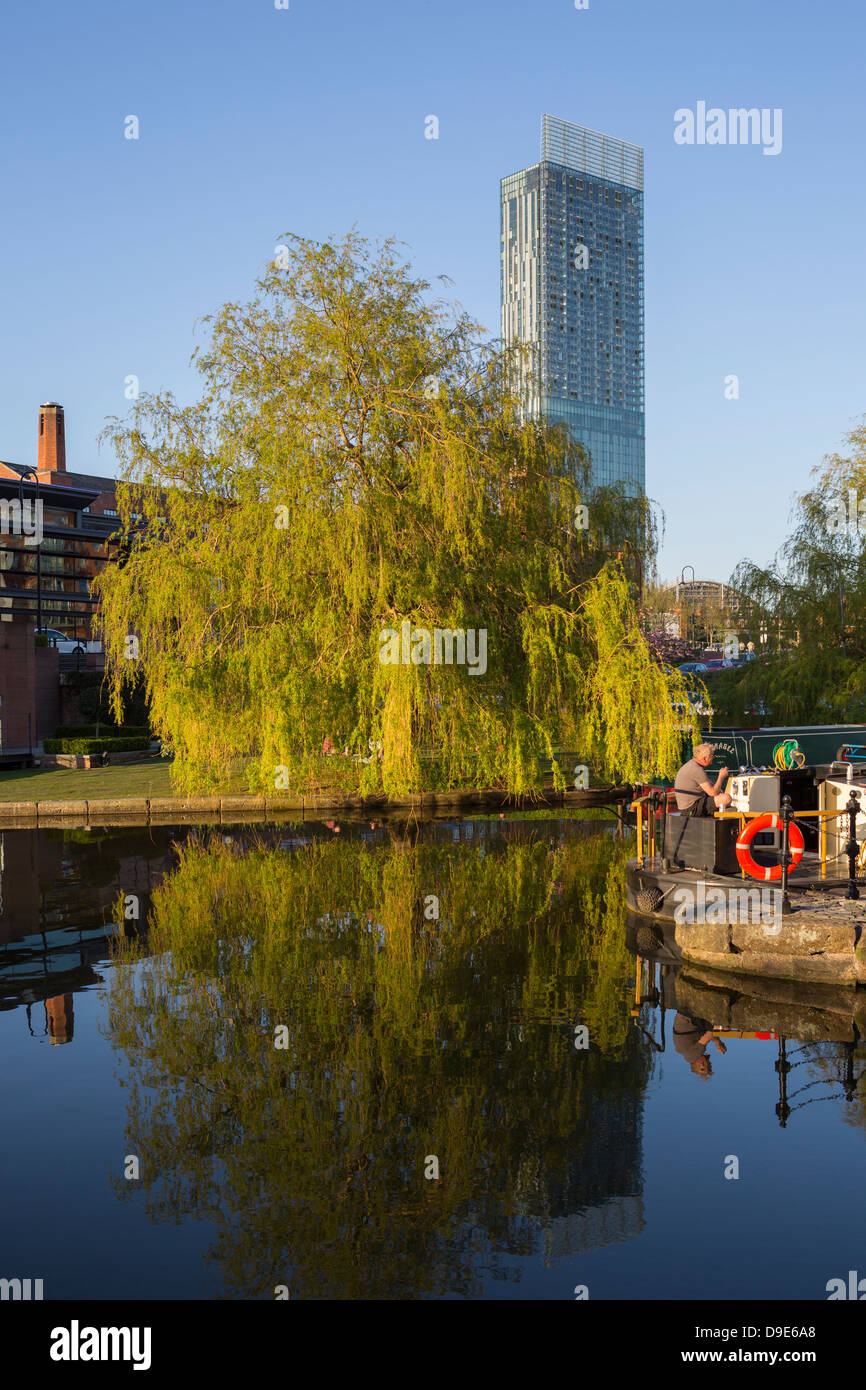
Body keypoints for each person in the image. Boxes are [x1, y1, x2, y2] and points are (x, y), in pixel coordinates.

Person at [674, 742, 732, 816]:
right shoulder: (697, 770)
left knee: (722, 794)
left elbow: (712, 786)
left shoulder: (691, 765)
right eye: (711, 756)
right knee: (726, 798)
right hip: (691, 808)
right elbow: (713, 793)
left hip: (687, 806)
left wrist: (720, 791)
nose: (713, 758)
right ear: (704, 758)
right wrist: (721, 777)